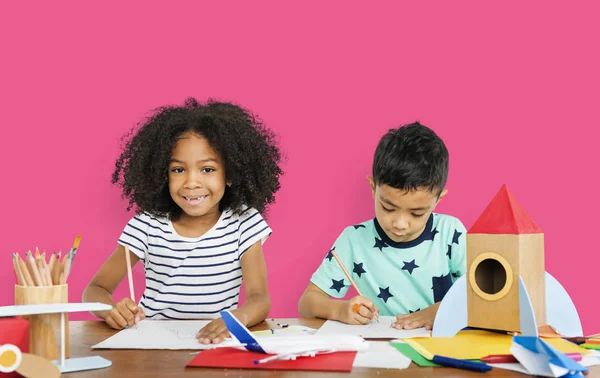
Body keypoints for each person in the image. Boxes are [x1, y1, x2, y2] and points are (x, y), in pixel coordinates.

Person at [83, 97, 283, 344]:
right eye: (178, 170)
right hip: (152, 343)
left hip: (213, 343)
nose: (191, 182)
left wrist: (235, 319)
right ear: (161, 174)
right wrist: (111, 311)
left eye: (207, 169)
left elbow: (259, 299)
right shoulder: (146, 225)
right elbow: (95, 290)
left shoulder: (244, 224)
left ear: (230, 174)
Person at [298, 122, 466, 330]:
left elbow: (486, 294)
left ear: (438, 200)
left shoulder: (451, 233)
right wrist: (340, 310)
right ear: (373, 188)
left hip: (441, 348)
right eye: (388, 207)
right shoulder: (354, 239)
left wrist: (442, 309)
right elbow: (307, 303)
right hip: (380, 349)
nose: (399, 223)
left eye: (417, 213)